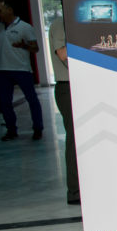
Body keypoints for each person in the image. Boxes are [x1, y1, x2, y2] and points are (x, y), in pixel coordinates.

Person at [0, 0, 43, 142]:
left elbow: (35, 48)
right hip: (2, 69)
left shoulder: (25, 27)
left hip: (21, 69)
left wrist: (24, 45)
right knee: (5, 102)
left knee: (31, 99)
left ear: (9, 10)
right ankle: (11, 130)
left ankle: (38, 129)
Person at [48, 16, 80, 203]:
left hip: (82, 85)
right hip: (68, 86)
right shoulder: (61, 23)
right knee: (75, 138)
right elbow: (63, 54)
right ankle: (75, 191)